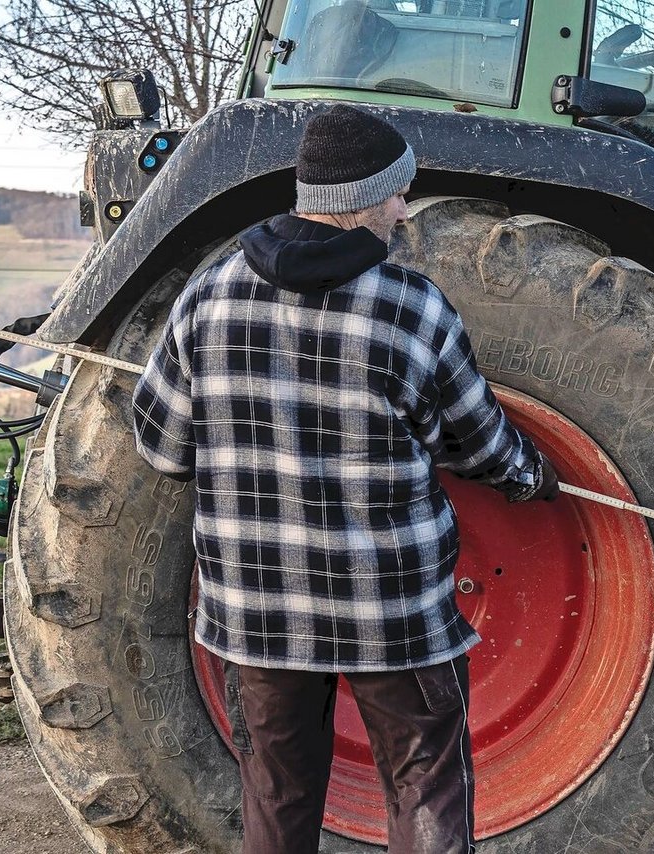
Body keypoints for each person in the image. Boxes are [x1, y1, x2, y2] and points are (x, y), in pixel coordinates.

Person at [132, 104, 558, 854]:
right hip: (391, 614)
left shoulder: (208, 295)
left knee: (277, 792)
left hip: (258, 613)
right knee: (424, 787)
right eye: (398, 193)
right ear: (363, 200)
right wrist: (531, 478)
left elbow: (163, 447)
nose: (404, 208)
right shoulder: (411, 309)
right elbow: (477, 442)